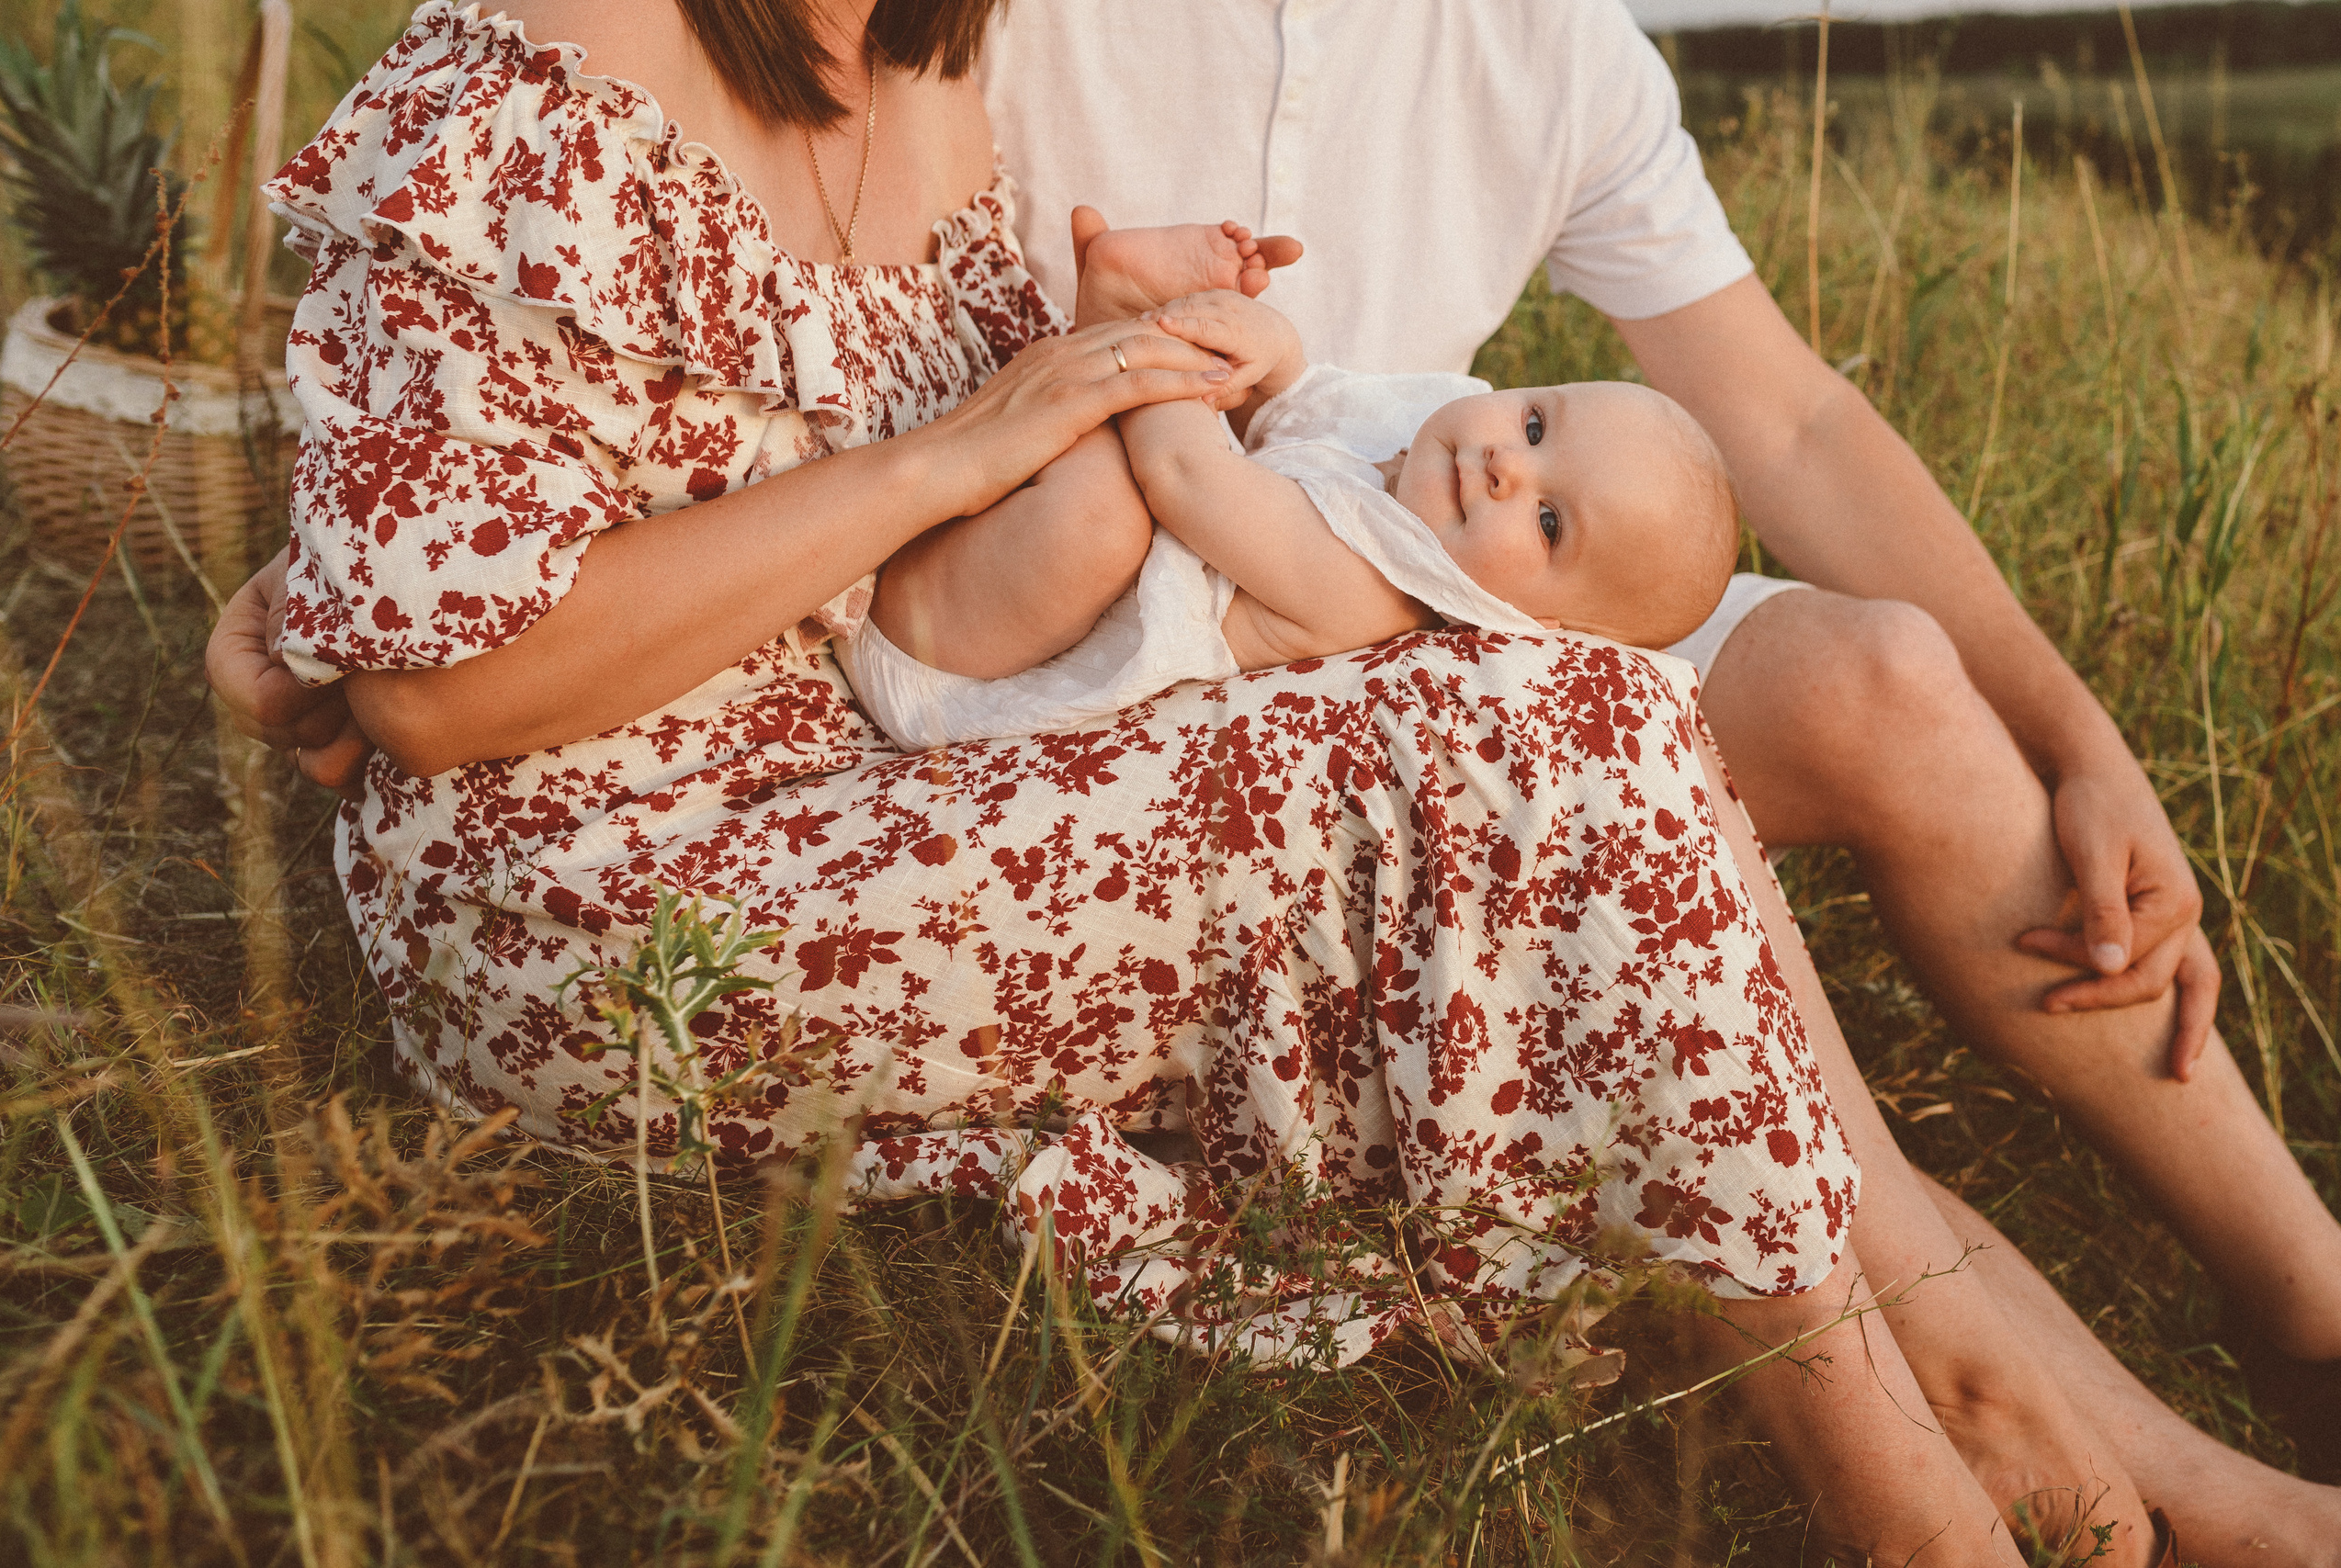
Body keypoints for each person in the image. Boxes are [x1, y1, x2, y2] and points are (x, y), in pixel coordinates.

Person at [198, 1, 2341, 1562]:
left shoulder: (937, 55)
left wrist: (2071, 727)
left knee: (1582, 717)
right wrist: (972, 442)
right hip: (637, 890)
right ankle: (1956, 1452)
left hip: (969, 724)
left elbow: (1768, 420)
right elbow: (451, 676)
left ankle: (2038, 1399)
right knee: (1558, 741)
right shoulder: (535, 73)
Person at [971, 0, 2341, 1503]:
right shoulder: (1022, 23)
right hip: (1180, 653)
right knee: (1625, 750)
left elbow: (1790, 420)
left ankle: (2309, 1301)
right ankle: (2145, 1469)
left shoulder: (1546, 42)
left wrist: (2079, 735)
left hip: (1466, 574)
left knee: (1877, 672)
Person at [852, 265, 1738, 750]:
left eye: (1550, 523)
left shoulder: (1374, 592)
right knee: (1092, 466)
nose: (1509, 463)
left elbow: (1191, 482)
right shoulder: (1419, 452)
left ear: (1537, 625)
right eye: (1537, 421)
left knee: (1104, 514)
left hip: (960, 664)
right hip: (1011, 581)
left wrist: (1142, 333)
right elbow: (1303, 403)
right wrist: (1265, 350)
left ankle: (884, 584)